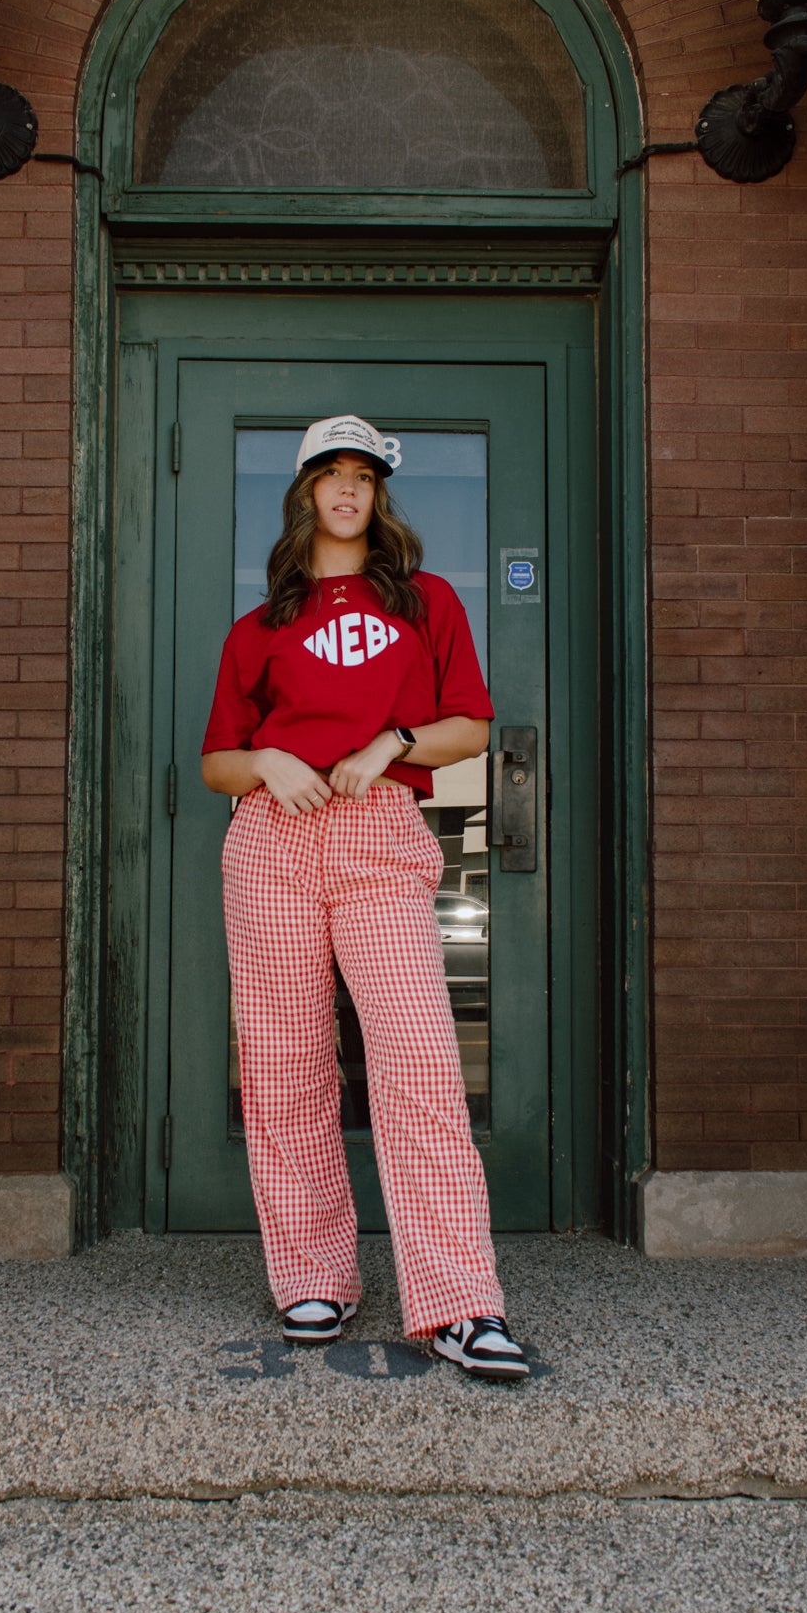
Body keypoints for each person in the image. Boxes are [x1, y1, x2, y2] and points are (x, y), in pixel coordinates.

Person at [200, 413, 529, 1382]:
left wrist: (393, 741)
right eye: (329, 474)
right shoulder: (258, 628)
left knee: (419, 1058)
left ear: (379, 496)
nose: (347, 490)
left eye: (363, 477)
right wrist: (264, 758)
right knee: (286, 1058)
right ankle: (314, 1274)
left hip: (379, 835)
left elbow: (470, 726)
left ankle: (463, 1301)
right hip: (272, 842)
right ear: (304, 493)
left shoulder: (426, 603)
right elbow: (218, 760)